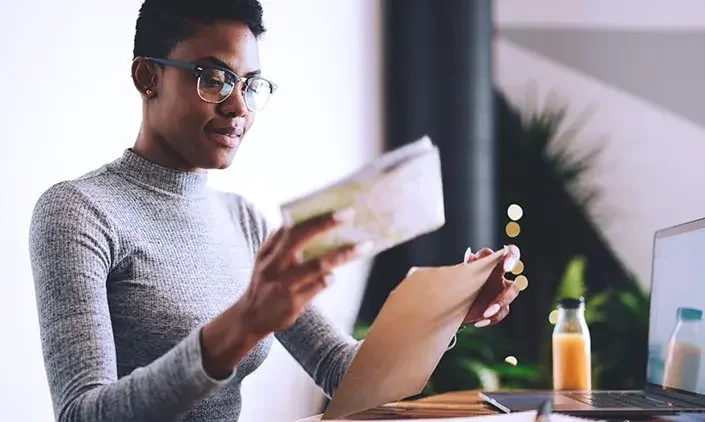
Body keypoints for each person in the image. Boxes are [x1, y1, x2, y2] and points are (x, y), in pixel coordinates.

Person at [27, 1, 522, 421]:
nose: (239, 107)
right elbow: (83, 413)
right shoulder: (78, 212)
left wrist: (448, 311)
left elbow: (340, 369)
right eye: (214, 79)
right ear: (147, 76)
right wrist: (244, 323)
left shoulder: (243, 220)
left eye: (250, 84)